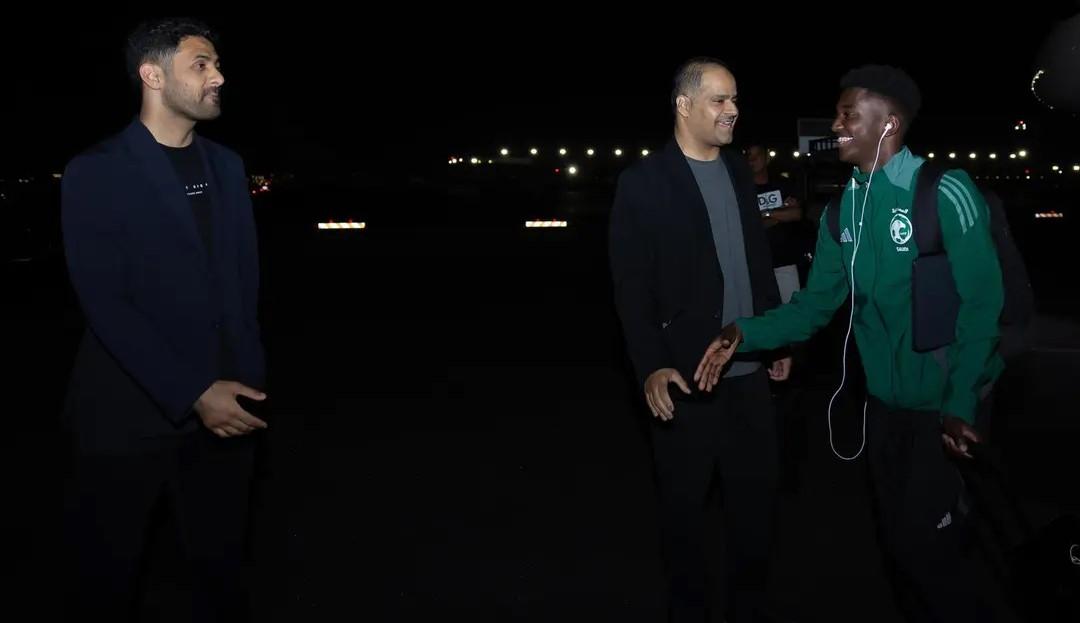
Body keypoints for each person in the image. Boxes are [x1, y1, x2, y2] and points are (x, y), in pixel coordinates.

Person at [696, 65, 1004, 622]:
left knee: (932, 553)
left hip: (944, 409)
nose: (835, 126)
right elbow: (815, 306)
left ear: (888, 124)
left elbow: (983, 307)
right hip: (883, 410)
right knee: (898, 546)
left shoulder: (944, 191)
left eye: (846, 115)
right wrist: (743, 332)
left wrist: (960, 402)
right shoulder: (843, 211)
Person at [60, 17, 267, 621]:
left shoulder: (227, 166)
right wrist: (193, 391)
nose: (218, 76)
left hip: (227, 415)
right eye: (201, 64)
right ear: (152, 76)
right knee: (107, 579)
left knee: (220, 575)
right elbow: (106, 302)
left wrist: (245, 383)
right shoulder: (96, 170)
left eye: (217, 63)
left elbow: (242, 287)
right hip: (126, 417)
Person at [608, 56, 790, 623]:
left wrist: (775, 336)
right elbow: (631, 287)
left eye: (735, 99)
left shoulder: (737, 170)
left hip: (749, 377)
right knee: (685, 517)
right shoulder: (643, 182)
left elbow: (757, 263)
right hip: (685, 382)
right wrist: (650, 366)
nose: (733, 110)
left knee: (755, 514)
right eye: (719, 100)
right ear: (684, 105)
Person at [747, 144, 804, 304]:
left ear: (766, 157)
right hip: (755, 264)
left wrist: (766, 214)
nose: (752, 160)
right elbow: (752, 225)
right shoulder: (743, 190)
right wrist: (781, 213)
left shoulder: (782, 184)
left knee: (790, 309)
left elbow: (796, 214)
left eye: (757, 155)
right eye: (749, 155)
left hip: (785, 261)